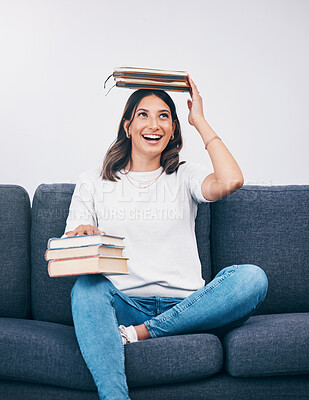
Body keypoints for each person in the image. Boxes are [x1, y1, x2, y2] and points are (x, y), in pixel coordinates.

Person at [62, 75, 268, 400]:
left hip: (189, 305)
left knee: (251, 279)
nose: (154, 124)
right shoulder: (93, 182)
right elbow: (72, 242)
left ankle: (144, 333)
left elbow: (230, 180)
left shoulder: (184, 174)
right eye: (143, 114)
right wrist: (83, 235)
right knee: (87, 288)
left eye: (164, 116)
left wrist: (199, 120)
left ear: (173, 129)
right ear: (127, 126)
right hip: (124, 305)